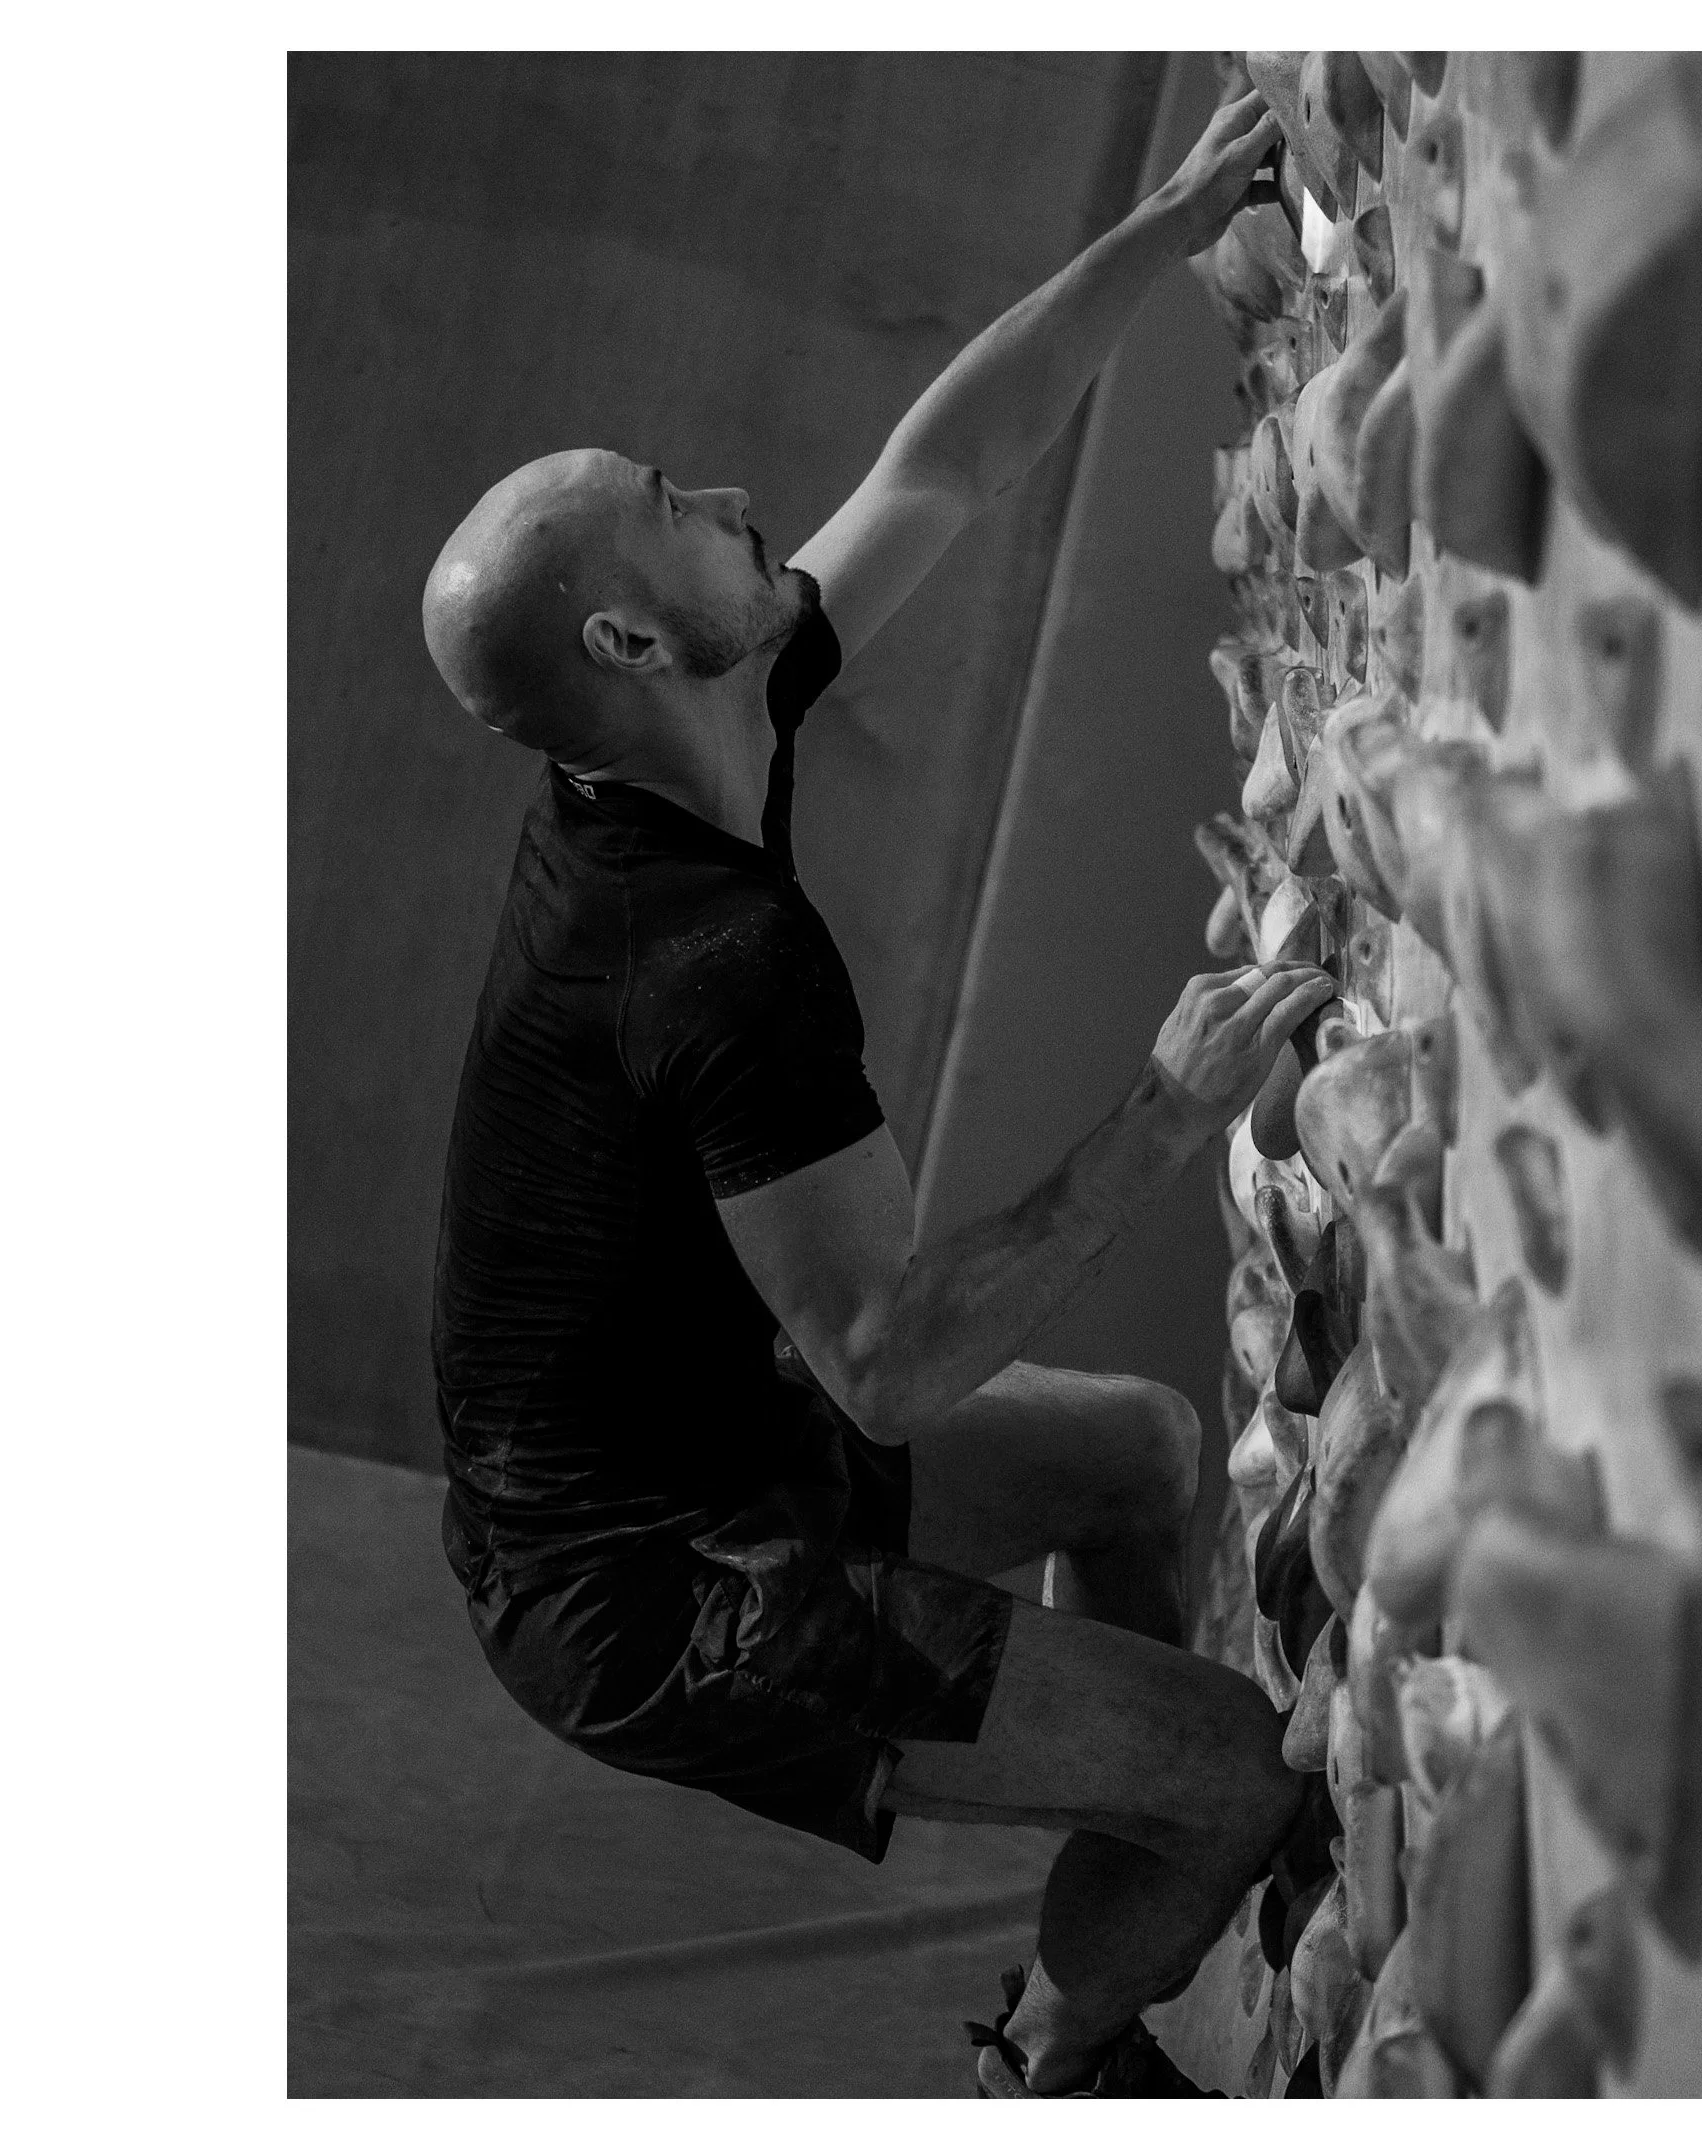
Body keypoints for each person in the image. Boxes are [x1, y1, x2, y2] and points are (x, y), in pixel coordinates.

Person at [421, 87, 1330, 2097]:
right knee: (1242, 1782)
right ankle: (1065, 2054)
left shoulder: (695, 710)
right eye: (679, 497)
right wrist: (1161, 1123)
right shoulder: (702, 963)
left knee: (1142, 1456)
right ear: (627, 629)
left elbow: (958, 453)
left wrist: (1165, 225)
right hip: (651, 1593)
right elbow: (891, 1364)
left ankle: (1135, 1802)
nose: (742, 491)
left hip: (704, 1451)